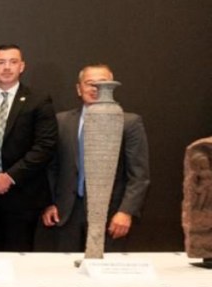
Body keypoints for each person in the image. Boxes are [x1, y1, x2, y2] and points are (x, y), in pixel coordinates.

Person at [37, 64, 150, 251]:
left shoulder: (128, 123)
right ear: (79, 89)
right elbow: (50, 168)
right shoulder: (61, 122)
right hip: (67, 214)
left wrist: (126, 211)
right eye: (90, 83)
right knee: (64, 268)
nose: (96, 88)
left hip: (111, 215)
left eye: (103, 83)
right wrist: (49, 203)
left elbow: (139, 175)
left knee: (105, 268)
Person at [0, 44, 57, 252]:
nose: (7, 67)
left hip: (23, 196)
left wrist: (8, 177)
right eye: (1, 62)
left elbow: (45, 146)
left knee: (18, 258)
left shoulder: (38, 100)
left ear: (22, 66)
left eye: (13, 62)